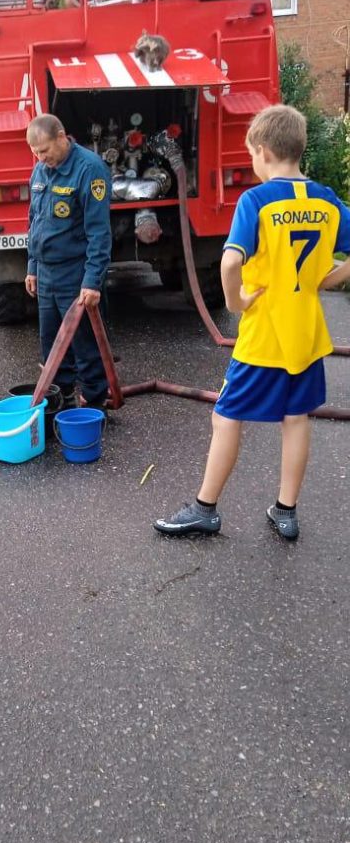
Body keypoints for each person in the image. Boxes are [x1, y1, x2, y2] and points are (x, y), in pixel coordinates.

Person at [154, 104, 350, 541]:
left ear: (262, 150)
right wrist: (328, 278)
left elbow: (229, 263)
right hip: (307, 335)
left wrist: (236, 300)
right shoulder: (327, 200)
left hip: (264, 336)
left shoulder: (257, 200)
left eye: (250, 154)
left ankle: (205, 509)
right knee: (297, 418)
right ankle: (286, 511)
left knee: (226, 417)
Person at [24, 114, 112, 408]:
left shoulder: (89, 169)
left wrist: (92, 281)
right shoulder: (39, 171)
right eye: (36, 153)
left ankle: (94, 405)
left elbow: (99, 233)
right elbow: (34, 221)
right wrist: (32, 267)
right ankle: (61, 403)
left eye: (45, 150)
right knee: (52, 346)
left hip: (75, 274)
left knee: (84, 345)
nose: (41, 158)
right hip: (46, 274)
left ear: (62, 136)